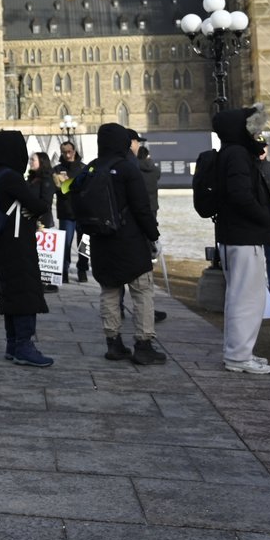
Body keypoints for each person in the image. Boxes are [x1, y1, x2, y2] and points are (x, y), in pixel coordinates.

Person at [82, 123, 165, 366]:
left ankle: (114, 343)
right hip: (129, 241)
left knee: (109, 291)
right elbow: (141, 208)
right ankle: (143, 344)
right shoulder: (128, 168)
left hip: (101, 241)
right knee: (142, 291)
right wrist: (154, 236)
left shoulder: (92, 168)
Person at [212, 104, 270, 375]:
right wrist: (263, 216)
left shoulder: (231, 153)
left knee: (240, 296)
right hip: (243, 235)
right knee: (246, 298)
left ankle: (239, 352)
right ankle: (239, 356)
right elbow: (241, 195)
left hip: (236, 234)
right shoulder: (238, 155)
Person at [0, 131, 53, 366]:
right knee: (25, 291)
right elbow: (39, 205)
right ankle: (24, 345)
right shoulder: (13, 178)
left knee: (11, 291)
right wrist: (35, 208)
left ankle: (13, 343)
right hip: (19, 243)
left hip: (4, 242)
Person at [53, 140, 87, 283]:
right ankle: (65, 270)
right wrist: (73, 185)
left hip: (83, 212)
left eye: (69, 151)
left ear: (74, 151)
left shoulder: (83, 168)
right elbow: (58, 190)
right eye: (64, 152)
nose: (67, 154)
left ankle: (83, 270)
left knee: (84, 244)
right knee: (65, 244)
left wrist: (67, 184)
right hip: (66, 212)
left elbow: (87, 189)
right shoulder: (57, 169)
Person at [26, 151, 58, 292]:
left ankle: (46, 282)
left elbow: (46, 202)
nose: (30, 162)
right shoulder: (32, 178)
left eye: (33, 160)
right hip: (31, 220)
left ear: (42, 162)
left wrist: (40, 222)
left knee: (43, 254)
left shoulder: (46, 180)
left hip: (41, 221)